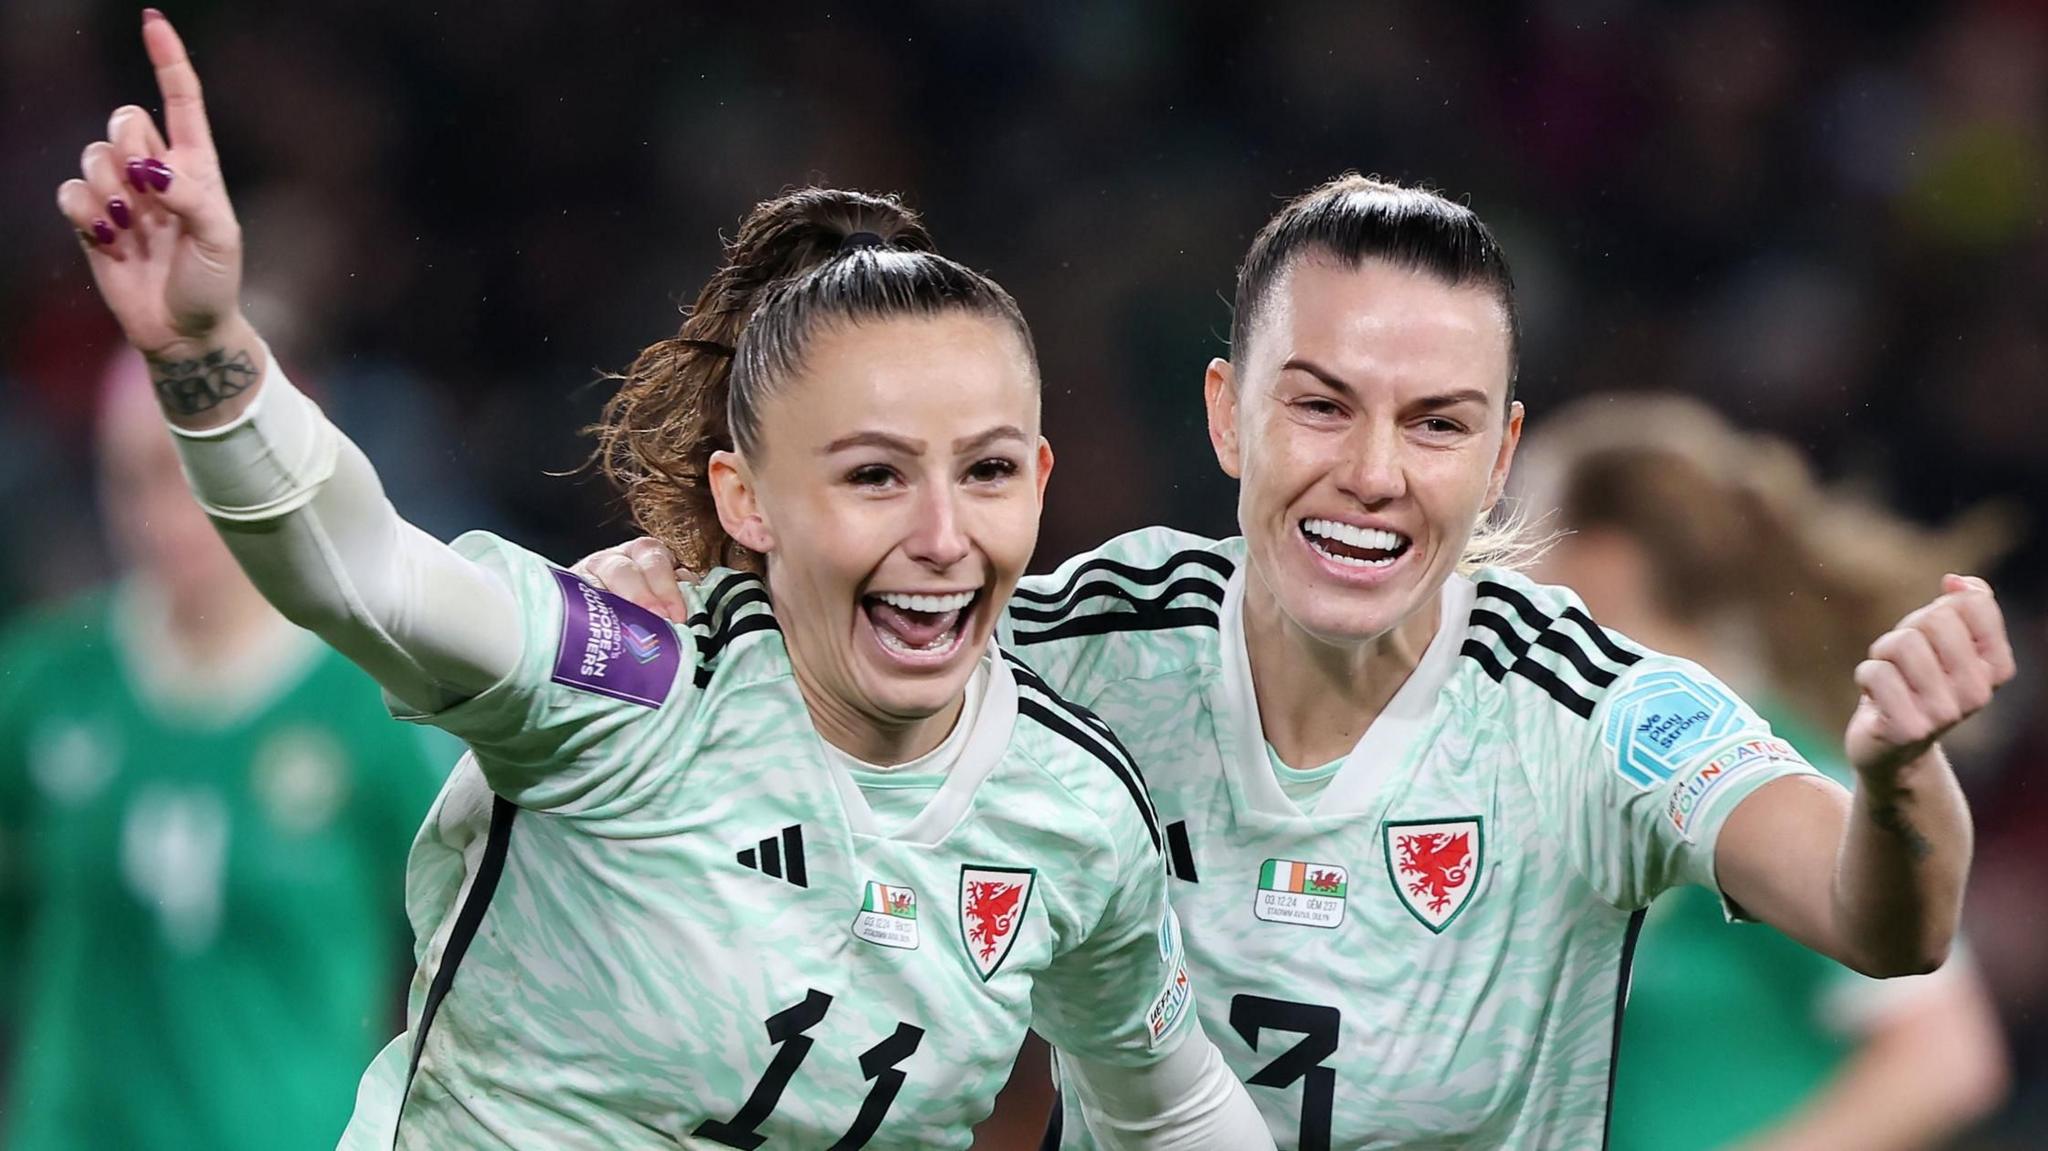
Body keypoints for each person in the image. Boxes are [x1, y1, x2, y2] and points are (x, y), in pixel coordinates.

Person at [582, 172, 2016, 1148]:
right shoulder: (1090, 647)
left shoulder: (1585, 707)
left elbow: (1879, 918)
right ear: (1227, 414)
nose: (1375, 473)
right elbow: (837, 644)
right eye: (1322, 405)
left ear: (1503, 455)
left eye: (1440, 424)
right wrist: (672, 607)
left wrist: (1896, 779)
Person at [55, 13, 1273, 1150]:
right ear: (748, 497)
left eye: (989, 470)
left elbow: (1171, 1104)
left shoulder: (1070, 805)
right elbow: (361, 571)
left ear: (1043, 480)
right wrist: (207, 358)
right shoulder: (635, 669)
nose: (943, 534)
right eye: (872, 476)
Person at [1518, 393, 2011, 1151]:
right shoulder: (1600, 776)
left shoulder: (1776, 780)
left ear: (1604, 564)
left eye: (1526, 534)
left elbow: (1946, 1055)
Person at [0, 348, 455, 1150]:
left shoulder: (378, 707)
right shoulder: (44, 684)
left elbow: (466, 963)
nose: (163, 514)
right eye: (132, 476)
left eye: (195, 475)